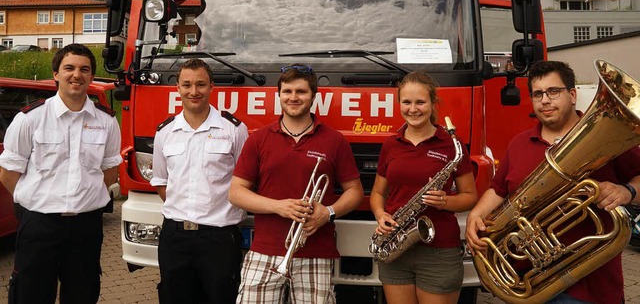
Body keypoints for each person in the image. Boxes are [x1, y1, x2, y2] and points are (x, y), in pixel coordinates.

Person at [466, 60, 640, 304]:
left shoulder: (607, 137)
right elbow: (499, 190)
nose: (545, 100)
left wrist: (627, 191)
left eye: (553, 91)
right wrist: (476, 214)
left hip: (592, 289)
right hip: (529, 285)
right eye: (537, 94)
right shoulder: (519, 143)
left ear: (571, 95)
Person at [229, 64, 364, 303]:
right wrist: (278, 206)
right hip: (265, 250)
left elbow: (354, 191)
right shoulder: (259, 139)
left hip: (316, 252)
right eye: (287, 91)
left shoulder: (335, 140)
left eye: (301, 92)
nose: (293, 97)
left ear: (313, 96)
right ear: (278, 95)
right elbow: (236, 193)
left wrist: (328, 212)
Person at [0, 43, 121, 304]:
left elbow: (110, 169)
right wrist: (33, 200)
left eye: (84, 69)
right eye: (69, 68)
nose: (76, 74)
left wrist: (85, 198)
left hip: (86, 226)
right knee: (30, 294)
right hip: (40, 224)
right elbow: (9, 171)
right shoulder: (31, 119)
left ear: (91, 76)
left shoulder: (107, 121)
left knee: (83, 293)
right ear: (56, 74)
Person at [370, 71, 478, 304]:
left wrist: (445, 201)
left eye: (420, 102)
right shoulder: (391, 144)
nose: (413, 109)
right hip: (396, 247)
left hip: (439, 250)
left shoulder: (452, 145)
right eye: (406, 102)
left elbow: (470, 197)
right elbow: (378, 193)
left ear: (433, 103)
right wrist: (381, 215)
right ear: (399, 103)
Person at [151, 58, 249, 304]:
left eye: (200, 85)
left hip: (219, 238)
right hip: (175, 238)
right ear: (177, 89)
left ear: (212, 87)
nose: (194, 92)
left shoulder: (233, 129)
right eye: (187, 85)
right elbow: (162, 182)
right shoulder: (165, 132)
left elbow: (245, 182)